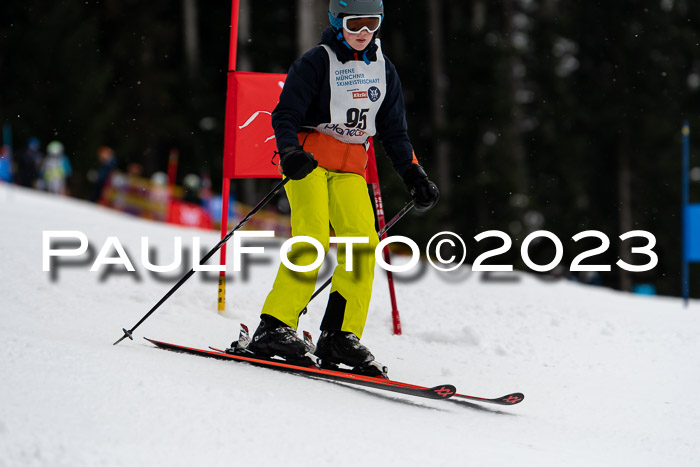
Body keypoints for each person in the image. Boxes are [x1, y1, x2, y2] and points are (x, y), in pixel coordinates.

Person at [241, 0, 439, 375]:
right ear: (337, 22)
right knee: (312, 238)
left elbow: (395, 133)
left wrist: (415, 175)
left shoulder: (383, 70)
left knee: (363, 244)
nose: (363, 33)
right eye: (354, 24)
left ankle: (338, 335)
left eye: (372, 23)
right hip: (309, 164)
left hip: (351, 170)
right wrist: (290, 153)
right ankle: (275, 324)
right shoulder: (317, 61)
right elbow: (285, 114)